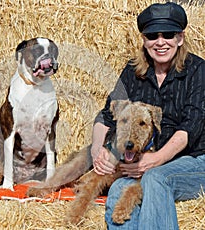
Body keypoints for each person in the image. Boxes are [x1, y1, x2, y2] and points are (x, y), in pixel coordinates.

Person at [91, 2, 205, 229]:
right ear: (144, 40)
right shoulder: (133, 71)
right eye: (153, 35)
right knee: (117, 190)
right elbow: (106, 115)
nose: (160, 42)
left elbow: (191, 127)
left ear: (180, 38)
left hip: (195, 161)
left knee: (155, 178)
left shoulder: (198, 70)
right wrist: (98, 150)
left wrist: (155, 160)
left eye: (168, 34)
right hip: (147, 161)